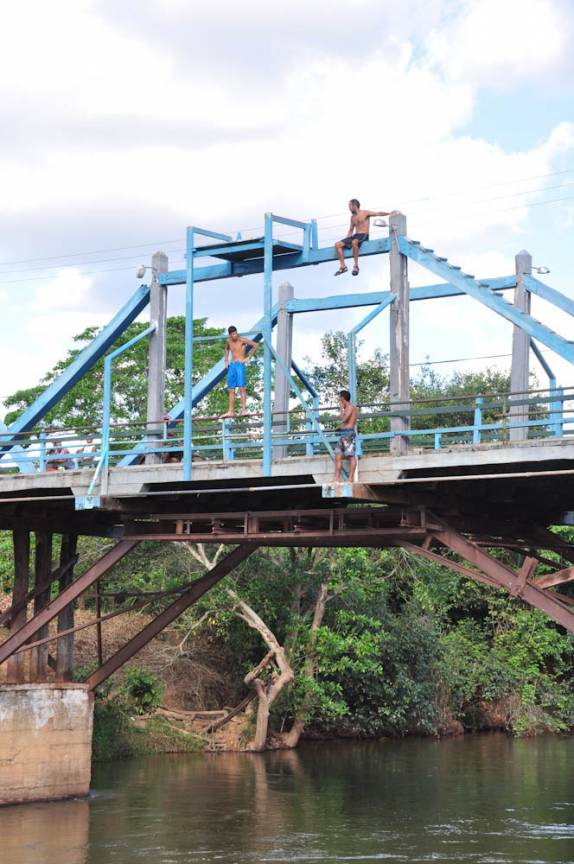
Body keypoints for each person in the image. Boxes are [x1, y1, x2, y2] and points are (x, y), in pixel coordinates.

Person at [335, 199, 391, 277]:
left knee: (354, 242)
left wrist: (390, 213)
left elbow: (378, 213)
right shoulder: (352, 218)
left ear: (354, 205)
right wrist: (346, 241)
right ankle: (343, 266)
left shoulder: (365, 213)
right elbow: (351, 230)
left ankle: (356, 266)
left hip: (363, 235)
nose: (349, 208)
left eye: (350, 206)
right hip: (355, 235)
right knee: (337, 244)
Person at [221, 326, 259, 418]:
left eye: (236, 333)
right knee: (231, 389)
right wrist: (226, 360)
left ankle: (244, 410)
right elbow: (226, 349)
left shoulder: (242, 340)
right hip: (232, 365)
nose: (235, 335)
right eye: (233, 334)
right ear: (230, 335)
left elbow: (256, 345)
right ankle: (230, 411)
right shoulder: (228, 341)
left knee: (242, 387)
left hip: (240, 365)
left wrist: (248, 357)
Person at [334, 389, 358, 482]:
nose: (339, 401)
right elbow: (344, 422)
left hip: (348, 434)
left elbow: (344, 419)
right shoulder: (347, 408)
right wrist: (340, 427)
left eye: (340, 399)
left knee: (350, 455)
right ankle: (336, 479)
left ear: (342, 398)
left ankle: (350, 479)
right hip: (343, 433)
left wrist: (341, 408)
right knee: (338, 455)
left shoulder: (351, 407)